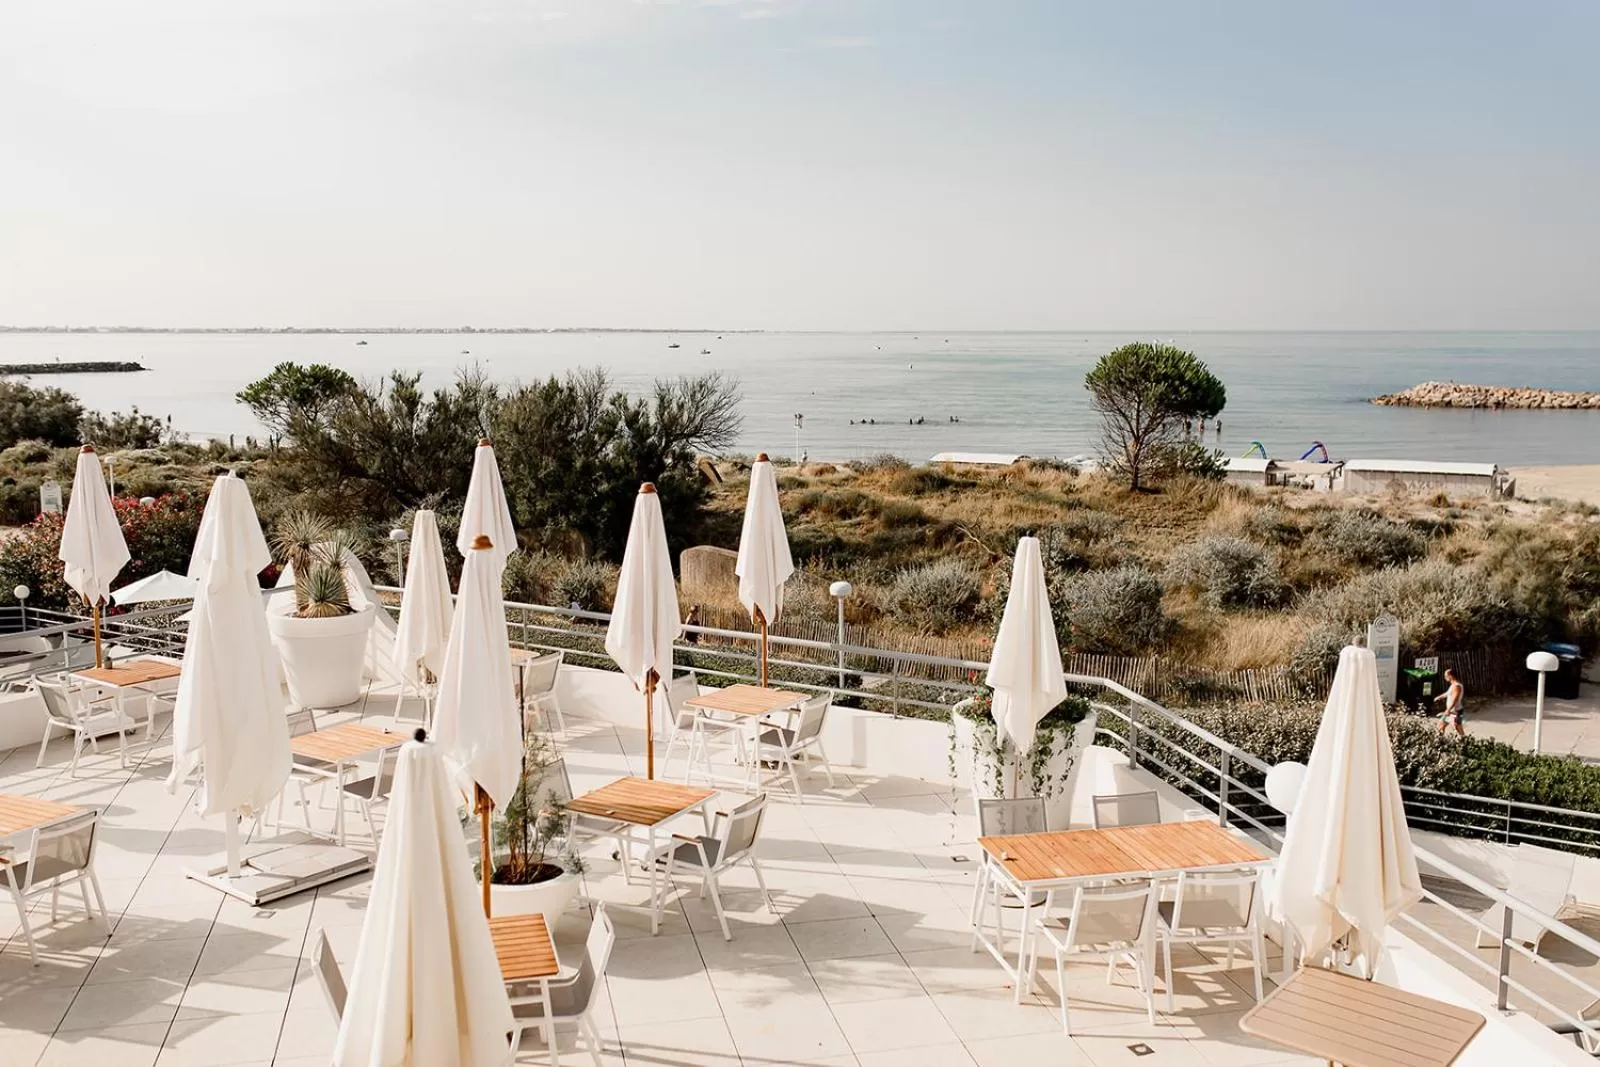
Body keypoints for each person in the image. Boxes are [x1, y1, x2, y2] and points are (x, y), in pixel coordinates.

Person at [1434, 668, 1465, 737]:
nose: (1445, 678)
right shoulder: (1453, 685)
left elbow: (1455, 699)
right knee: (1440, 726)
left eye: (1446, 676)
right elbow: (1447, 693)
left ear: (1450, 676)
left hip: (1456, 711)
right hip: (1451, 711)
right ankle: (1439, 742)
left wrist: (1448, 710)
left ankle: (1464, 742)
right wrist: (1439, 697)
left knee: (1458, 728)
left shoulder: (1457, 686)